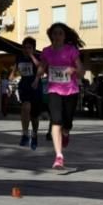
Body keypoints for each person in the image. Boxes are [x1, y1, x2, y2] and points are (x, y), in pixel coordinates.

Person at [36, 22, 84, 170]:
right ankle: (59, 156)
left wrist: (74, 69)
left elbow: (81, 71)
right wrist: (40, 71)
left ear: (64, 36)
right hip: (54, 90)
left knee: (67, 123)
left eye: (60, 33)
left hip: (71, 91)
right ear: (51, 36)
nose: (57, 36)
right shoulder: (46, 51)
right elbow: (41, 68)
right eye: (54, 33)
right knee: (56, 121)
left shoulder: (72, 50)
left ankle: (66, 132)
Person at [16, 37, 43, 150]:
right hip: (24, 86)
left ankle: (35, 134)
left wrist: (31, 55)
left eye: (29, 47)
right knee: (25, 107)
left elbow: (40, 68)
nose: (26, 49)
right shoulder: (19, 58)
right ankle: (25, 134)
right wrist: (12, 75)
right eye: (25, 47)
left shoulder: (37, 57)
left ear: (33, 48)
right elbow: (16, 69)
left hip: (35, 86)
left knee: (34, 116)